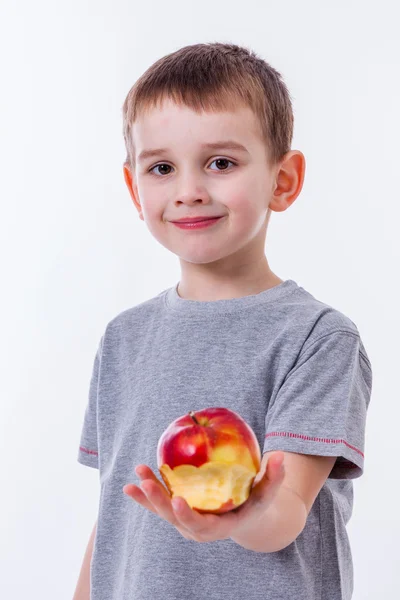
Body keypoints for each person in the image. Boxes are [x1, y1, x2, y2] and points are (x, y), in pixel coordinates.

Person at [73, 42, 373, 600]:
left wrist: (236, 517)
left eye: (221, 163)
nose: (188, 191)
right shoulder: (123, 337)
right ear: (134, 188)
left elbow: (286, 513)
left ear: (283, 180)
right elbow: (118, 510)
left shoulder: (317, 338)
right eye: (161, 167)